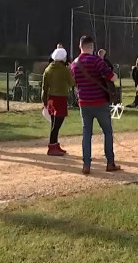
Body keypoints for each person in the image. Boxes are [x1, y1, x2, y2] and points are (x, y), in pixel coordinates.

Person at [72, 36, 121, 174]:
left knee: (86, 134)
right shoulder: (96, 60)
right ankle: (110, 162)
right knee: (107, 131)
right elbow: (111, 77)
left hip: (83, 102)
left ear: (80, 46)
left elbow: (73, 82)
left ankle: (86, 164)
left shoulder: (74, 63)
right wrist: (114, 77)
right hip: (99, 102)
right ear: (91, 47)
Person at [42, 47, 75, 155]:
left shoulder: (47, 69)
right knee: (57, 125)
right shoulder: (64, 70)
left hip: (50, 98)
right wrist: (71, 70)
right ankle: (52, 146)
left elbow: (44, 87)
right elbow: (72, 83)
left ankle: (55, 144)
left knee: (53, 123)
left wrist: (44, 101)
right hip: (60, 98)